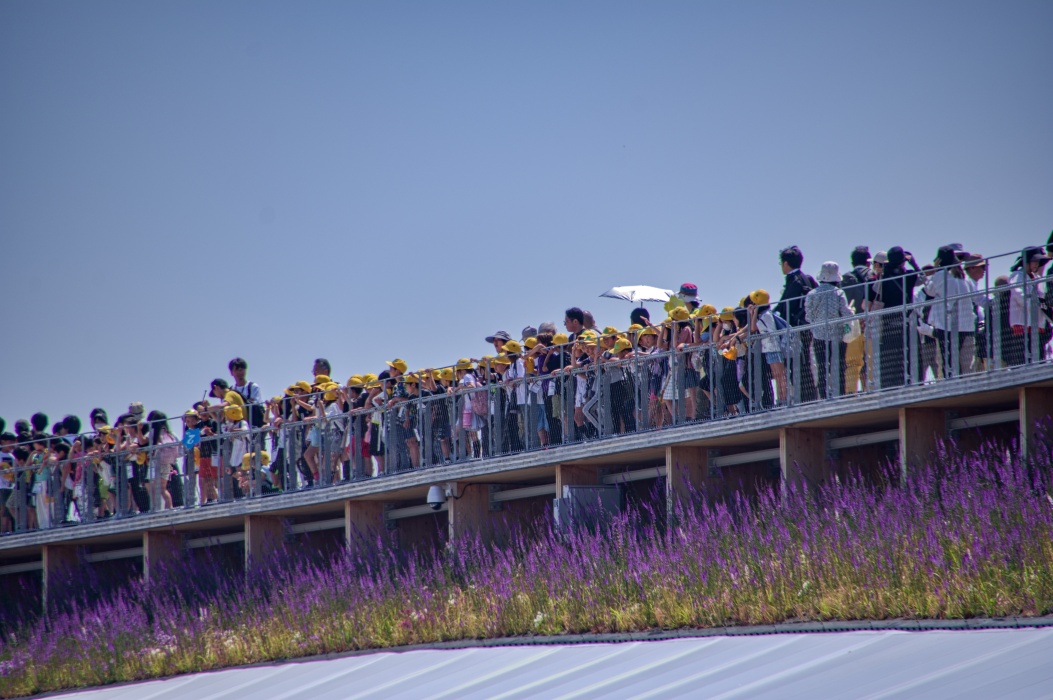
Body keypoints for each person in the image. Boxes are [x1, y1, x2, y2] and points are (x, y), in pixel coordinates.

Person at [866, 247, 920, 388]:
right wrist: (913, 263)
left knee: (888, 360)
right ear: (903, 261)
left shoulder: (883, 278)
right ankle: (907, 385)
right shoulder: (909, 276)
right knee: (906, 359)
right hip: (905, 323)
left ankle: (888, 388)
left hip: (887, 324)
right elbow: (923, 279)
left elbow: (873, 293)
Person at [805, 262, 854, 399]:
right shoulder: (838, 292)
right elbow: (846, 313)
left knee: (822, 368)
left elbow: (808, 316)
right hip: (837, 335)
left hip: (818, 336)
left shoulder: (811, 294)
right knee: (839, 366)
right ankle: (841, 393)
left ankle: (824, 394)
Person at [926, 246, 976, 378]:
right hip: (965, 325)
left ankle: (952, 384)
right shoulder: (963, 276)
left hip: (946, 325)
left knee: (947, 361)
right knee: (963, 363)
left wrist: (935, 270)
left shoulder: (940, 275)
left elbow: (929, 291)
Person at [777, 246, 818, 403]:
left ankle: (804, 398)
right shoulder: (807, 278)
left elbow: (785, 306)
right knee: (805, 362)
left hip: (796, 330)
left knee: (796, 364)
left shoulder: (793, 280)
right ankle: (809, 395)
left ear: (786, 263)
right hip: (808, 327)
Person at [1006, 246, 1051, 365]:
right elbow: (1019, 295)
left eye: (1038, 261)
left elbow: (1043, 298)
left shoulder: (1038, 278)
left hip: (1038, 323)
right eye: (1034, 261)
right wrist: (1035, 304)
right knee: (1023, 357)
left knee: (1039, 356)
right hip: (1023, 323)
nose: (1037, 264)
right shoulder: (1017, 276)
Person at [229, 357, 264, 428]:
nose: (240, 372)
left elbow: (256, 405)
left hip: (252, 425)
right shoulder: (231, 390)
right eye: (236, 370)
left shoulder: (253, 387)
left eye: (242, 369)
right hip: (236, 426)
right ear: (231, 373)